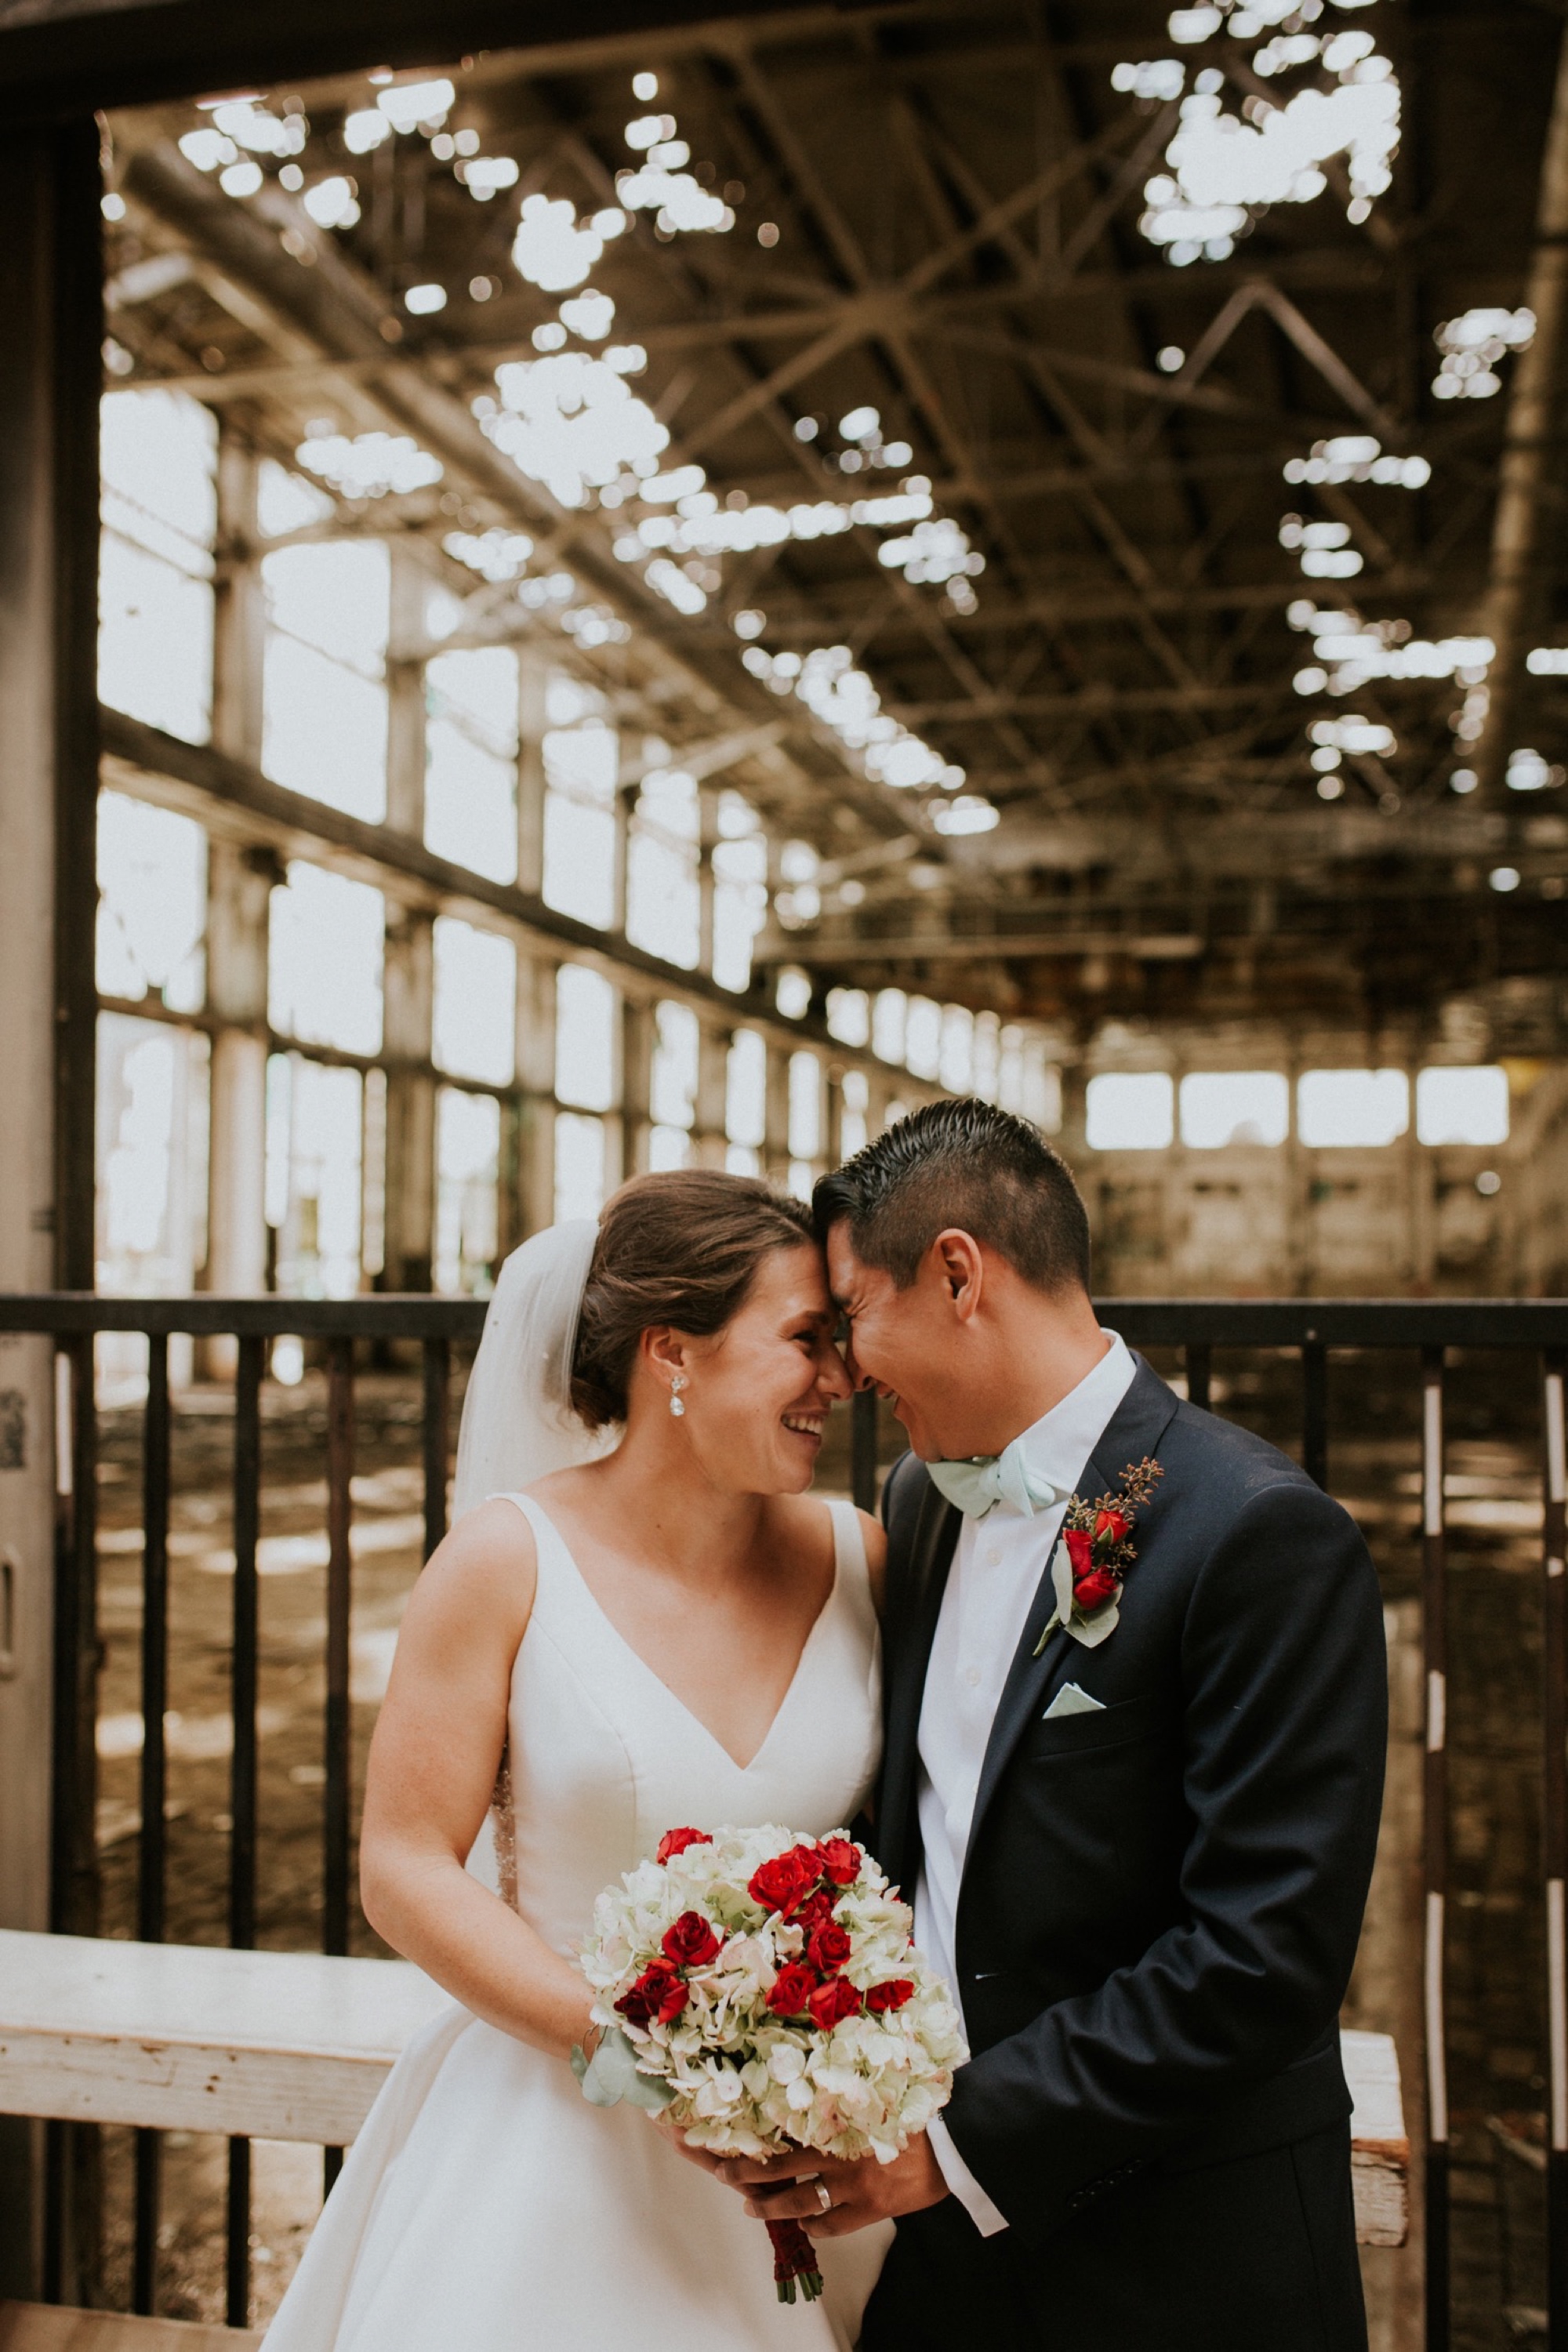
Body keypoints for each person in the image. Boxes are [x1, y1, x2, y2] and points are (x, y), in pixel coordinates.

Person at [697, 1099, 1387, 2352]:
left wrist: (958, 2145)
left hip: (1182, 2259)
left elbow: (1262, 1954)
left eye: (851, 1315)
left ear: (960, 1274)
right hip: (948, 2261)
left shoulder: (1259, 1534)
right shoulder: (921, 1499)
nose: (844, 1373)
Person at [263, 1170, 891, 2352]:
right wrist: (636, 2053)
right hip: (547, 2136)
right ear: (674, 1355)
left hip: (807, 2158)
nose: (842, 1381)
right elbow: (403, 1867)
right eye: (807, 1341)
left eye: (843, 1343)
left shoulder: (863, 1560)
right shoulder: (505, 1561)